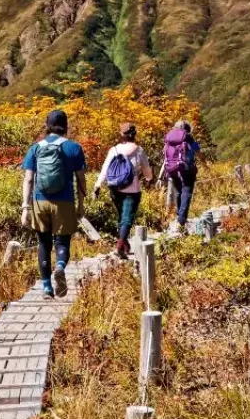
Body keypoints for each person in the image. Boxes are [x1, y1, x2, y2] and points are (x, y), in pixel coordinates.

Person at [21, 109, 87, 298]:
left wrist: (25, 207)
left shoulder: (36, 148)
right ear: (66, 126)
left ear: (47, 125)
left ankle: (47, 288)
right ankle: (59, 266)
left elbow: (28, 179)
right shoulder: (74, 148)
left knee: (43, 243)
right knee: (62, 241)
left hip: (40, 201)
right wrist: (81, 205)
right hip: (64, 202)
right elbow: (81, 180)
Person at [93, 122, 153, 259]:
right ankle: (120, 244)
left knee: (122, 216)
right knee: (127, 218)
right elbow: (147, 171)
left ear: (121, 135)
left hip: (114, 187)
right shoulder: (139, 150)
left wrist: (97, 185)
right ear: (134, 135)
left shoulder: (114, 150)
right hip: (132, 189)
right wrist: (149, 178)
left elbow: (105, 169)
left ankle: (124, 243)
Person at [157, 119, 201, 235]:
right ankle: (181, 220)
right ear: (187, 130)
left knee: (179, 193)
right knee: (187, 192)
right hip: (187, 170)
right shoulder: (190, 139)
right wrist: (205, 165)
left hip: (172, 170)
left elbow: (166, 159)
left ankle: (179, 217)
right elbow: (199, 152)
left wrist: (160, 177)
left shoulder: (169, 141)